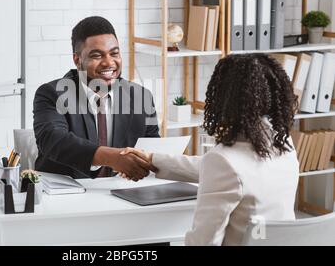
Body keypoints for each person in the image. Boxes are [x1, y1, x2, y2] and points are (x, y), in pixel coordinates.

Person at [122, 53, 300, 246]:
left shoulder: (224, 161)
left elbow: (203, 242)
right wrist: (153, 160)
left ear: (224, 97)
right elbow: (228, 173)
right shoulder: (284, 145)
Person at [33, 16, 159, 179]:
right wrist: (113, 158)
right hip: (66, 197)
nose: (109, 63)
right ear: (77, 60)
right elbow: (55, 140)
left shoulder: (141, 96)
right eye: (97, 55)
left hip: (125, 195)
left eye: (114, 53)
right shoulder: (52, 93)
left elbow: (152, 149)